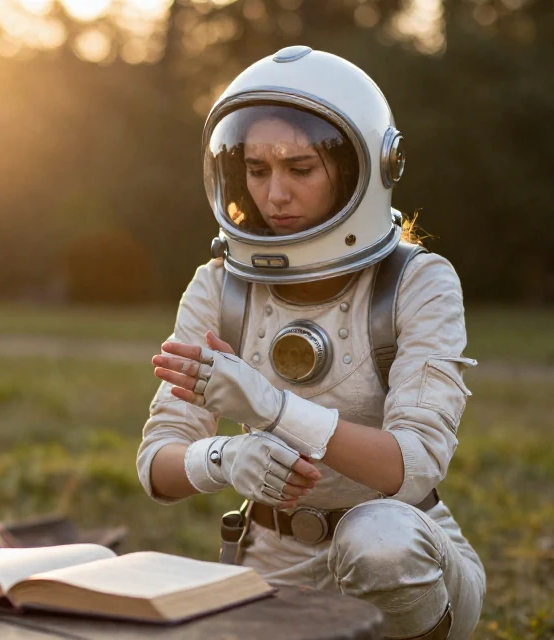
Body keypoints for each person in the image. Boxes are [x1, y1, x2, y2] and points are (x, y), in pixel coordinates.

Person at [136, 47, 485, 640]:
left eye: (301, 169)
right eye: (256, 169)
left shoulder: (417, 281)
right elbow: (156, 466)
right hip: (271, 562)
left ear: (359, 170)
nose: (274, 196)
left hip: (408, 556)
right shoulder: (219, 287)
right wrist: (224, 458)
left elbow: (415, 467)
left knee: (380, 542)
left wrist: (270, 409)